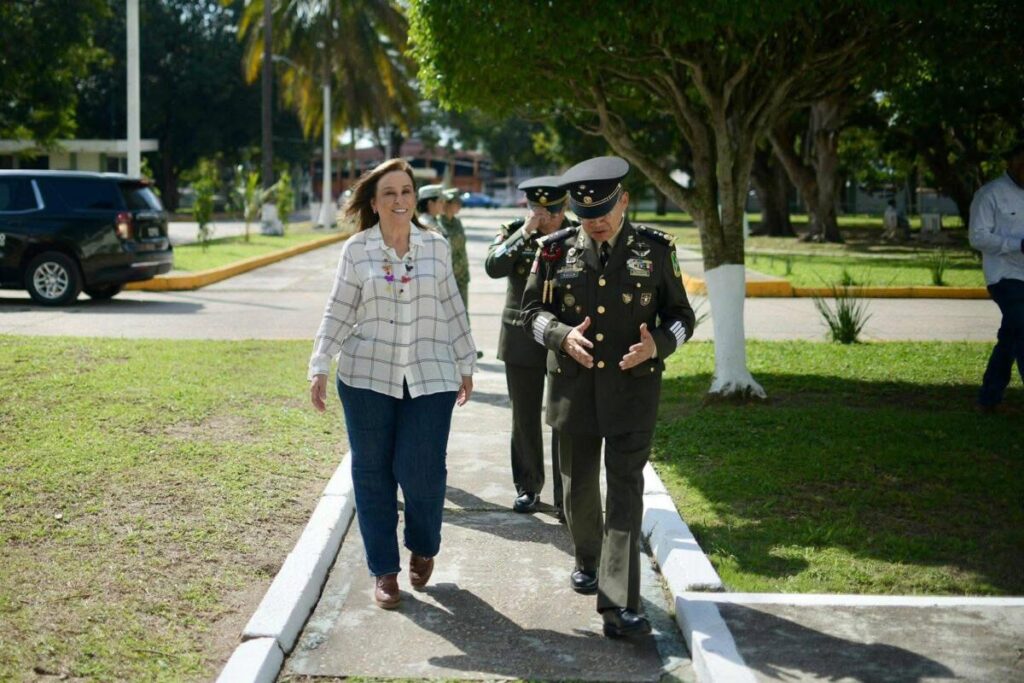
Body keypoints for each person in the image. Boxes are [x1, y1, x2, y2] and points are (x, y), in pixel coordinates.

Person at [521, 156, 695, 639]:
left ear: (623, 202)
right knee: (578, 487)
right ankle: (587, 557)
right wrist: (558, 335)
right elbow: (529, 310)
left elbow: (682, 316)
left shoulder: (656, 250)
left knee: (625, 492)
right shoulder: (555, 251)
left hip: (632, 392)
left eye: (602, 212)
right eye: (584, 214)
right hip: (574, 391)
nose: (594, 223)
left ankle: (620, 603)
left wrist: (658, 344)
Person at [308, 159, 476, 610]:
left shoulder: (436, 247)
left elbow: (452, 306)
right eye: (390, 193)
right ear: (375, 203)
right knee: (372, 473)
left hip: (430, 373)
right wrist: (320, 363)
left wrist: (466, 361)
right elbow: (339, 309)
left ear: (414, 198)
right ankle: (384, 570)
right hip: (366, 378)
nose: (400, 200)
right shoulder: (357, 250)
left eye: (406, 191)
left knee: (421, 470)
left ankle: (423, 544)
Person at [485, 176, 577, 517]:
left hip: (562, 336)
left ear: (563, 207)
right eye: (536, 210)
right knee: (524, 416)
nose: (543, 218)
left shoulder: (576, 236)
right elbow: (494, 267)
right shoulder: (513, 231)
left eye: (549, 212)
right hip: (520, 336)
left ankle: (565, 494)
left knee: (563, 417)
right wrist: (524, 232)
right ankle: (528, 486)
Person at [969, 141, 1024, 412]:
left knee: (1011, 335)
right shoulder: (990, 194)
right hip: (1004, 277)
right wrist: (1016, 244)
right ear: (1011, 161)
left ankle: (989, 396)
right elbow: (977, 236)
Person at [439, 188, 470, 311]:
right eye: (456, 202)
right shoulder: (438, 223)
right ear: (446, 203)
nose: (459, 205)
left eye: (459, 202)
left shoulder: (457, 222)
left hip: (461, 275)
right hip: (447, 277)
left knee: (462, 311)